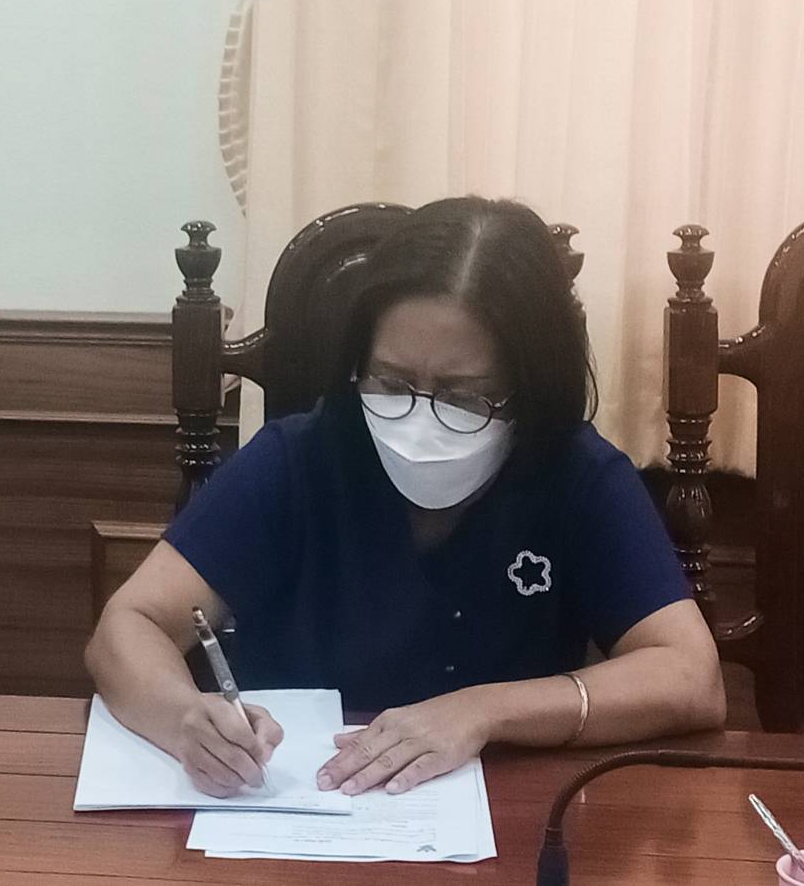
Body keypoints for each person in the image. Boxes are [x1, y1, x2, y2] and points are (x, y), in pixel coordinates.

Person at [86, 196, 725, 798]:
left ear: (528, 387)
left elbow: (690, 676)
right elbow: (130, 624)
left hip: (508, 816)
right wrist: (183, 719)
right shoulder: (298, 459)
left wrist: (484, 710)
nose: (420, 419)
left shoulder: (575, 472)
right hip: (298, 807)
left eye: (463, 395)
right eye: (391, 384)